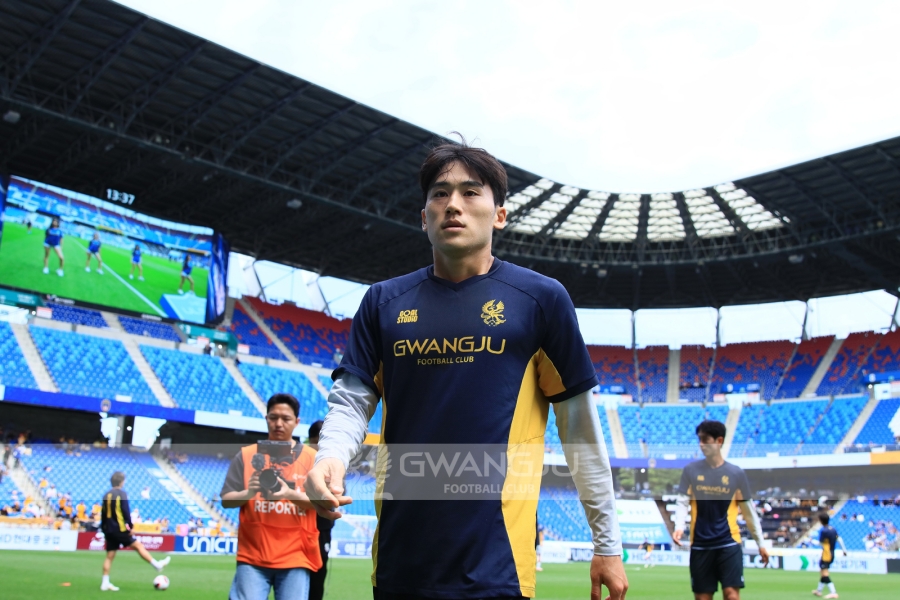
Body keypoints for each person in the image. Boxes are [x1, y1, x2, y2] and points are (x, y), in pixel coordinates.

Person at [306, 140, 627, 600]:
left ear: (500, 215)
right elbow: (351, 402)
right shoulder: (383, 302)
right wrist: (330, 458)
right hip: (400, 562)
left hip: (499, 567)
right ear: (424, 217)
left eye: (470, 192)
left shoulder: (542, 300)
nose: (453, 204)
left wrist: (607, 545)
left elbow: (579, 429)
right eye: (440, 194)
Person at [221, 393, 322, 600]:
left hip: (296, 555)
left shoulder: (312, 458)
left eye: (286, 419)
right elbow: (226, 500)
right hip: (253, 555)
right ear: (266, 418)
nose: (278, 424)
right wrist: (249, 493)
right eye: (273, 417)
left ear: (297, 422)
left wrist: (289, 494)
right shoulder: (246, 455)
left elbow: (325, 504)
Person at [673, 420, 768, 600]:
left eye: (705, 440)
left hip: (729, 543)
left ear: (719, 441)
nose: (701, 444)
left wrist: (761, 543)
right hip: (700, 544)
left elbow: (749, 512)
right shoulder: (691, 470)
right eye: (699, 440)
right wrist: (679, 526)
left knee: (732, 596)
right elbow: (682, 502)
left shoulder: (736, 474)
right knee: (702, 598)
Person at [100, 471, 171, 591]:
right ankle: (157, 565)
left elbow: (103, 513)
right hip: (120, 529)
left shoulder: (106, 495)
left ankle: (105, 583)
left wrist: (104, 528)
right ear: (121, 482)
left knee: (109, 556)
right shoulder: (122, 494)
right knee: (138, 546)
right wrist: (130, 526)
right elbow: (125, 511)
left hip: (109, 530)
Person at [306, 420, 332, 600]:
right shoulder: (300, 462)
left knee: (318, 576)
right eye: (318, 441)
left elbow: (336, 497)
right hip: (299, 527)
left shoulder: (333, 465)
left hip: (322, 529)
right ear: (310, 440)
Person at [812, 513, 847, 599]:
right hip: (832, 553)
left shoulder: (824, 531)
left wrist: (812, 541)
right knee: (822, 571)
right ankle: (819, 590)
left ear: (821, 521)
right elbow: (839, 539)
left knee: (825, 573)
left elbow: (821, 543)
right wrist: (844, 550)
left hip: (826, 554)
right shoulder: (833, 529)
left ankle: (833, 592)